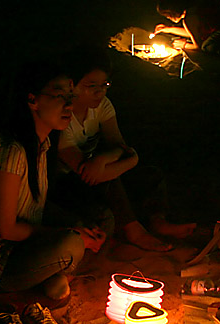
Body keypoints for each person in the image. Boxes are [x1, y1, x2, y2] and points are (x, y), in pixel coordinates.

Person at [0, 58, 104, 302]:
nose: (69, 104)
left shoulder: (42, 144)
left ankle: (51, 274)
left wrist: (76, 224)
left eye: (71, 95)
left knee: (99, 221)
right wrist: (69, 233)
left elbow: (33, 204)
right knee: (72, 244)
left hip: (24, 248)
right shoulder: (11, 150)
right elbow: (6, 229)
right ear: (32, 100)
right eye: (60, 95)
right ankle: (52, 276)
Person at [53, 46, 194, 252]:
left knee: (149, 175)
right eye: (91, 85)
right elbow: (85, 172)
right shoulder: (63, 116)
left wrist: (115, 159)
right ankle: (133, 230)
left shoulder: (102, 105)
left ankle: (157, 220)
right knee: (110, 181)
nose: (99, 91)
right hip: (68, 181)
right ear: (71, 85)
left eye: (104, 84)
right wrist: (118, 159)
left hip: (98, 170)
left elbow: (119, 147)